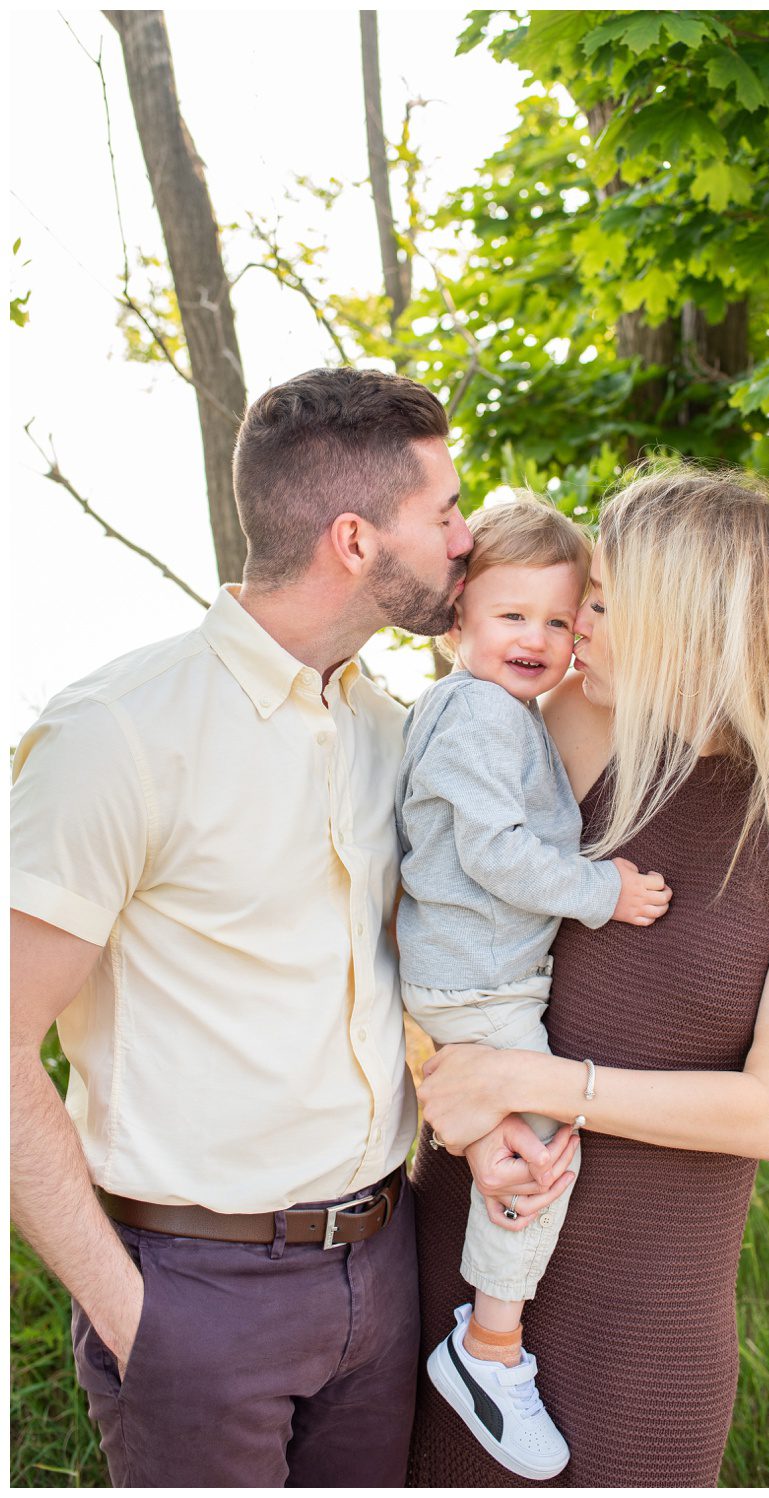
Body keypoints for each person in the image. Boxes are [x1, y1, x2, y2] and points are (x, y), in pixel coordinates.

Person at [404, 460, 769, 1487]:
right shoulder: (571, 729)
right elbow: (428, 920)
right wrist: (450, 1079)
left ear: (689, 621)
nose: (572, 628)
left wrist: (532, 1085)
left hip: (644, 1315)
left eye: (601, 603)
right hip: (460, 1261)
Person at [9, 367, 472, 1486]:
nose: (467, 538)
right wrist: (138, 1318)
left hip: (383, 1262)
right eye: (445, 512)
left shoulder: (392, 729)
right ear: (355, 539)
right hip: (191, 1294)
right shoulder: (116, 734)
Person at [393, 495, 672, 1478]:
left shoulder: (479, 710)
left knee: (531, 1145)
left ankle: (489, 1339)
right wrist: (606, 891)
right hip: (477, 987)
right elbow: (497, 854)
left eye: (560, 621)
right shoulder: (477, 717)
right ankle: (489, 1347)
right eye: (513, 615)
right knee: (541, 1153)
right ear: (460, 609)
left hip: (474, 976)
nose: (538, 639)